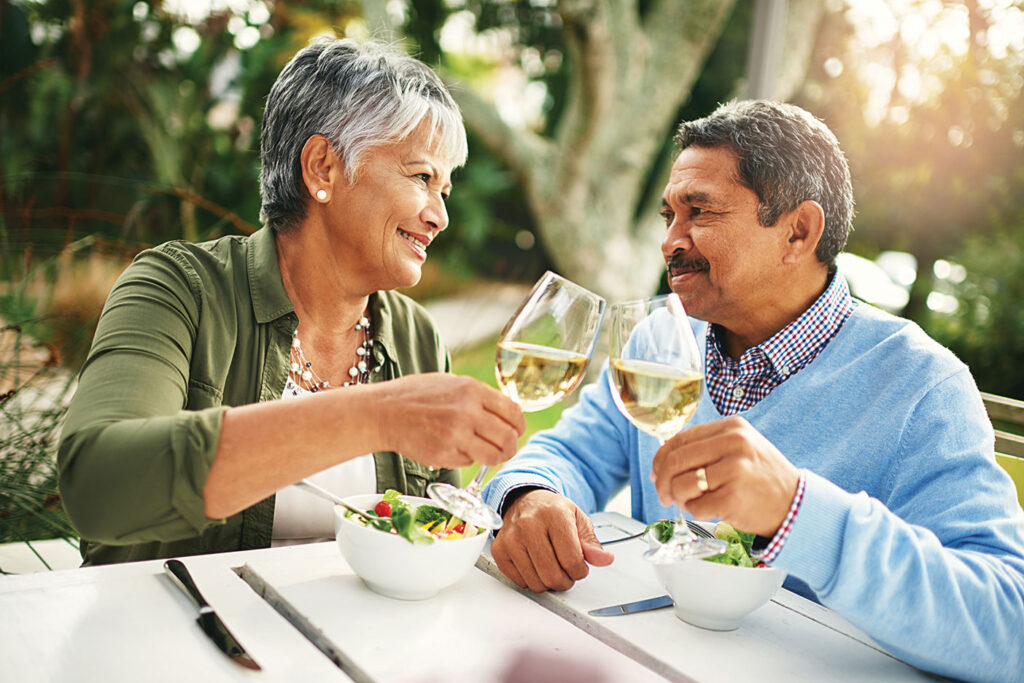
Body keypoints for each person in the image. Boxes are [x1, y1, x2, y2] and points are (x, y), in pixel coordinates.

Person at [483, 100, 1024, 681]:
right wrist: (526, 495)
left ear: (798, 232)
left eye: (700, 212)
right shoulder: (663, 343)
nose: (671, 240)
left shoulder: (922, 385)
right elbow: (566, 454)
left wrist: (798, 511)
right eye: (669, 215)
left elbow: (1007, 628)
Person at [57, 38, 525, 565]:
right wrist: (376, 417)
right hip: (177, 634)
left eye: (445, 189)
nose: (440, 216)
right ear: (322, 167)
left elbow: (435, 544)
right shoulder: (177, 289)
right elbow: (96, 486)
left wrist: (524, 506)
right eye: (421, 177)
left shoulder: (415, 336)